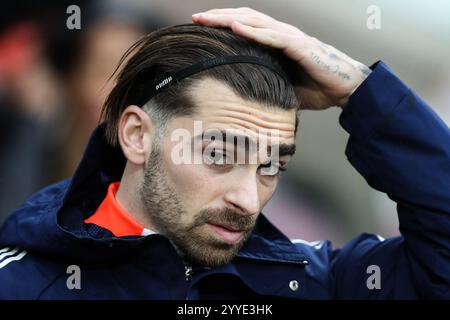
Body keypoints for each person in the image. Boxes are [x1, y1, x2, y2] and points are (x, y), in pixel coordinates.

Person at [0, 8, 448, 299]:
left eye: (272, 165)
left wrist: (358, 88)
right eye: (218, 154)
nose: (248, 200)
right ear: (137, 135)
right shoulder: (21, 285)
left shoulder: (312, 278)